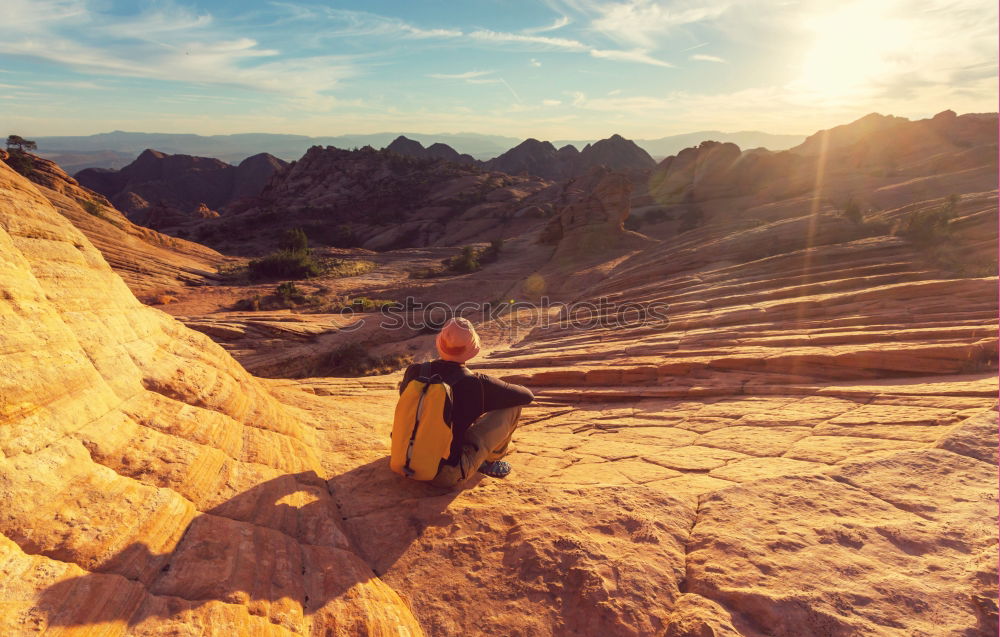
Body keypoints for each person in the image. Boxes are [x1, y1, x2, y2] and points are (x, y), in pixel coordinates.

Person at [398, 317, 533, 488]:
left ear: (440, 344)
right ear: (472, 349)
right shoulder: (476, 384)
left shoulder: (415, 371)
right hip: (445, 475)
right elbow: (526, 396)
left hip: (405, 459)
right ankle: (491, 462)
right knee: (512, 408)